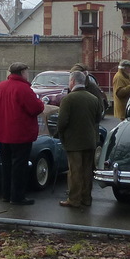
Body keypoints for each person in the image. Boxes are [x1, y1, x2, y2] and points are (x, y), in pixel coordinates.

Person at [0, 62, 44, 206]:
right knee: (19, 166)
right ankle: (17, 196)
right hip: (20, 134)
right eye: (27, 72)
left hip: (3, 133)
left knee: (6, 165)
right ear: (22, 72)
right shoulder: (24, 89)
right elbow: (35, 108)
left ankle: (6, 194)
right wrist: (41, 103)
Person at [56, 70, 103, 208]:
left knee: (75, 171)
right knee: (87, 170)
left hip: (74, 141)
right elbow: (97, 118)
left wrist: (61, 134)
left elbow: (62, 122)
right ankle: (86, 198)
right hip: (90, 139)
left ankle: (74, 199)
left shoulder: (68, 99)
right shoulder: (93, 98)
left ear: (72, 82)